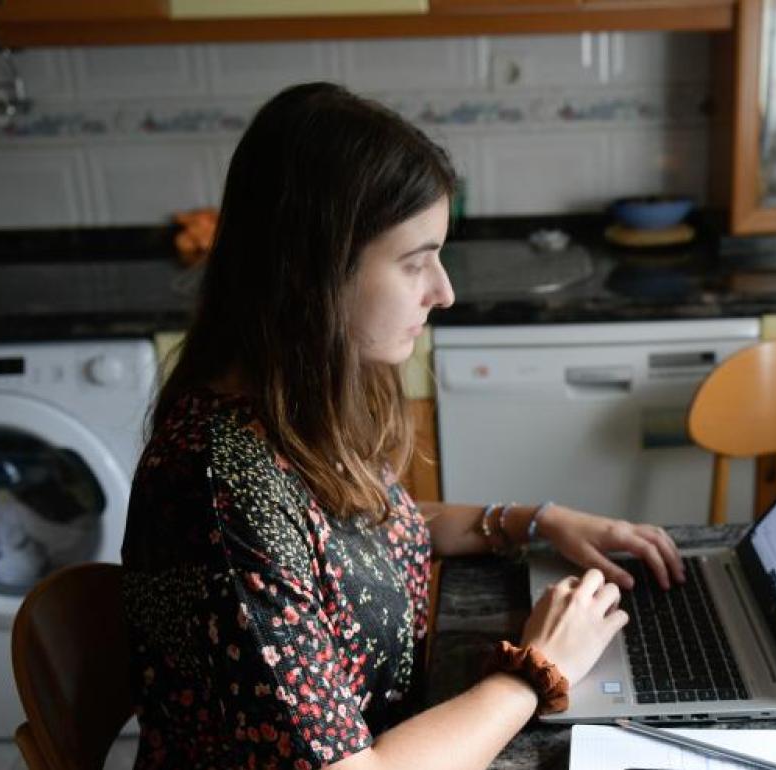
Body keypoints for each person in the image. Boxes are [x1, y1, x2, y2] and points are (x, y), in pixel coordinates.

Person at [120, 81, 686, 770]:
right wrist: (535, 669)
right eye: (416, 261)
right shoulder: (220, 488)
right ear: (315, 275)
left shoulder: (293, 405)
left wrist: (531, 521)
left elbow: (364, 534)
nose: (443, 290)